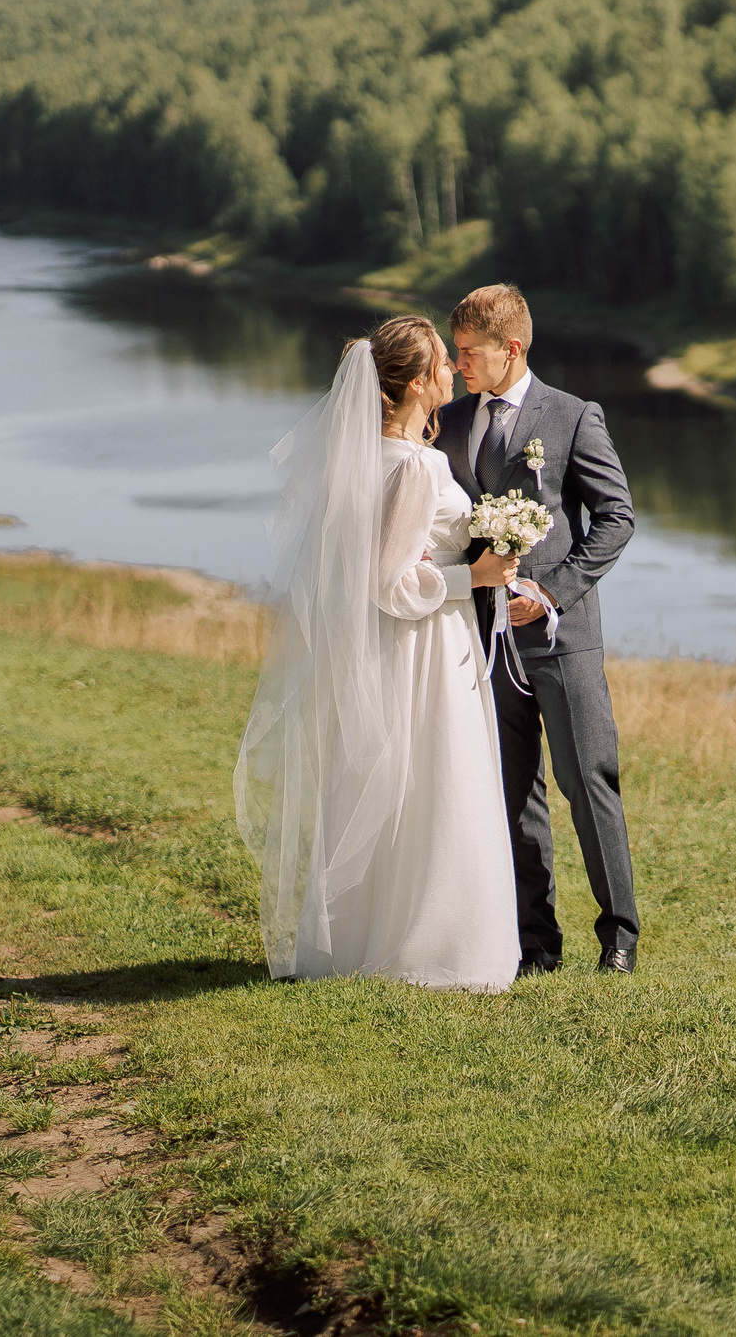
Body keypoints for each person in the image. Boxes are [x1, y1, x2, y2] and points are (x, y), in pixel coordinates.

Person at [233, 315, 521, 991]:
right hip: (422, 644)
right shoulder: (418, 466)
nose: (454, 370)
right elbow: (390, 583)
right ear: (419, 382)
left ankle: (369, 939)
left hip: (393, 649)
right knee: (434, 782)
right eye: (445, 363)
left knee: (399, 787)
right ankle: (430, 948)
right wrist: (472, 578)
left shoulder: (368, 459)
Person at [437, 284, 641, 976]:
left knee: (588, 784)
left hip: (563, 639)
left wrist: (552, 592)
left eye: (470, 352)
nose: (458, 362)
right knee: (511, 790)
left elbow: (616, 517)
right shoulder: (450, 420)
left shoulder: (574, 417)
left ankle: (620, 938)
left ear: (511, 348)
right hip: (484, 640)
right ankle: (536, 944)